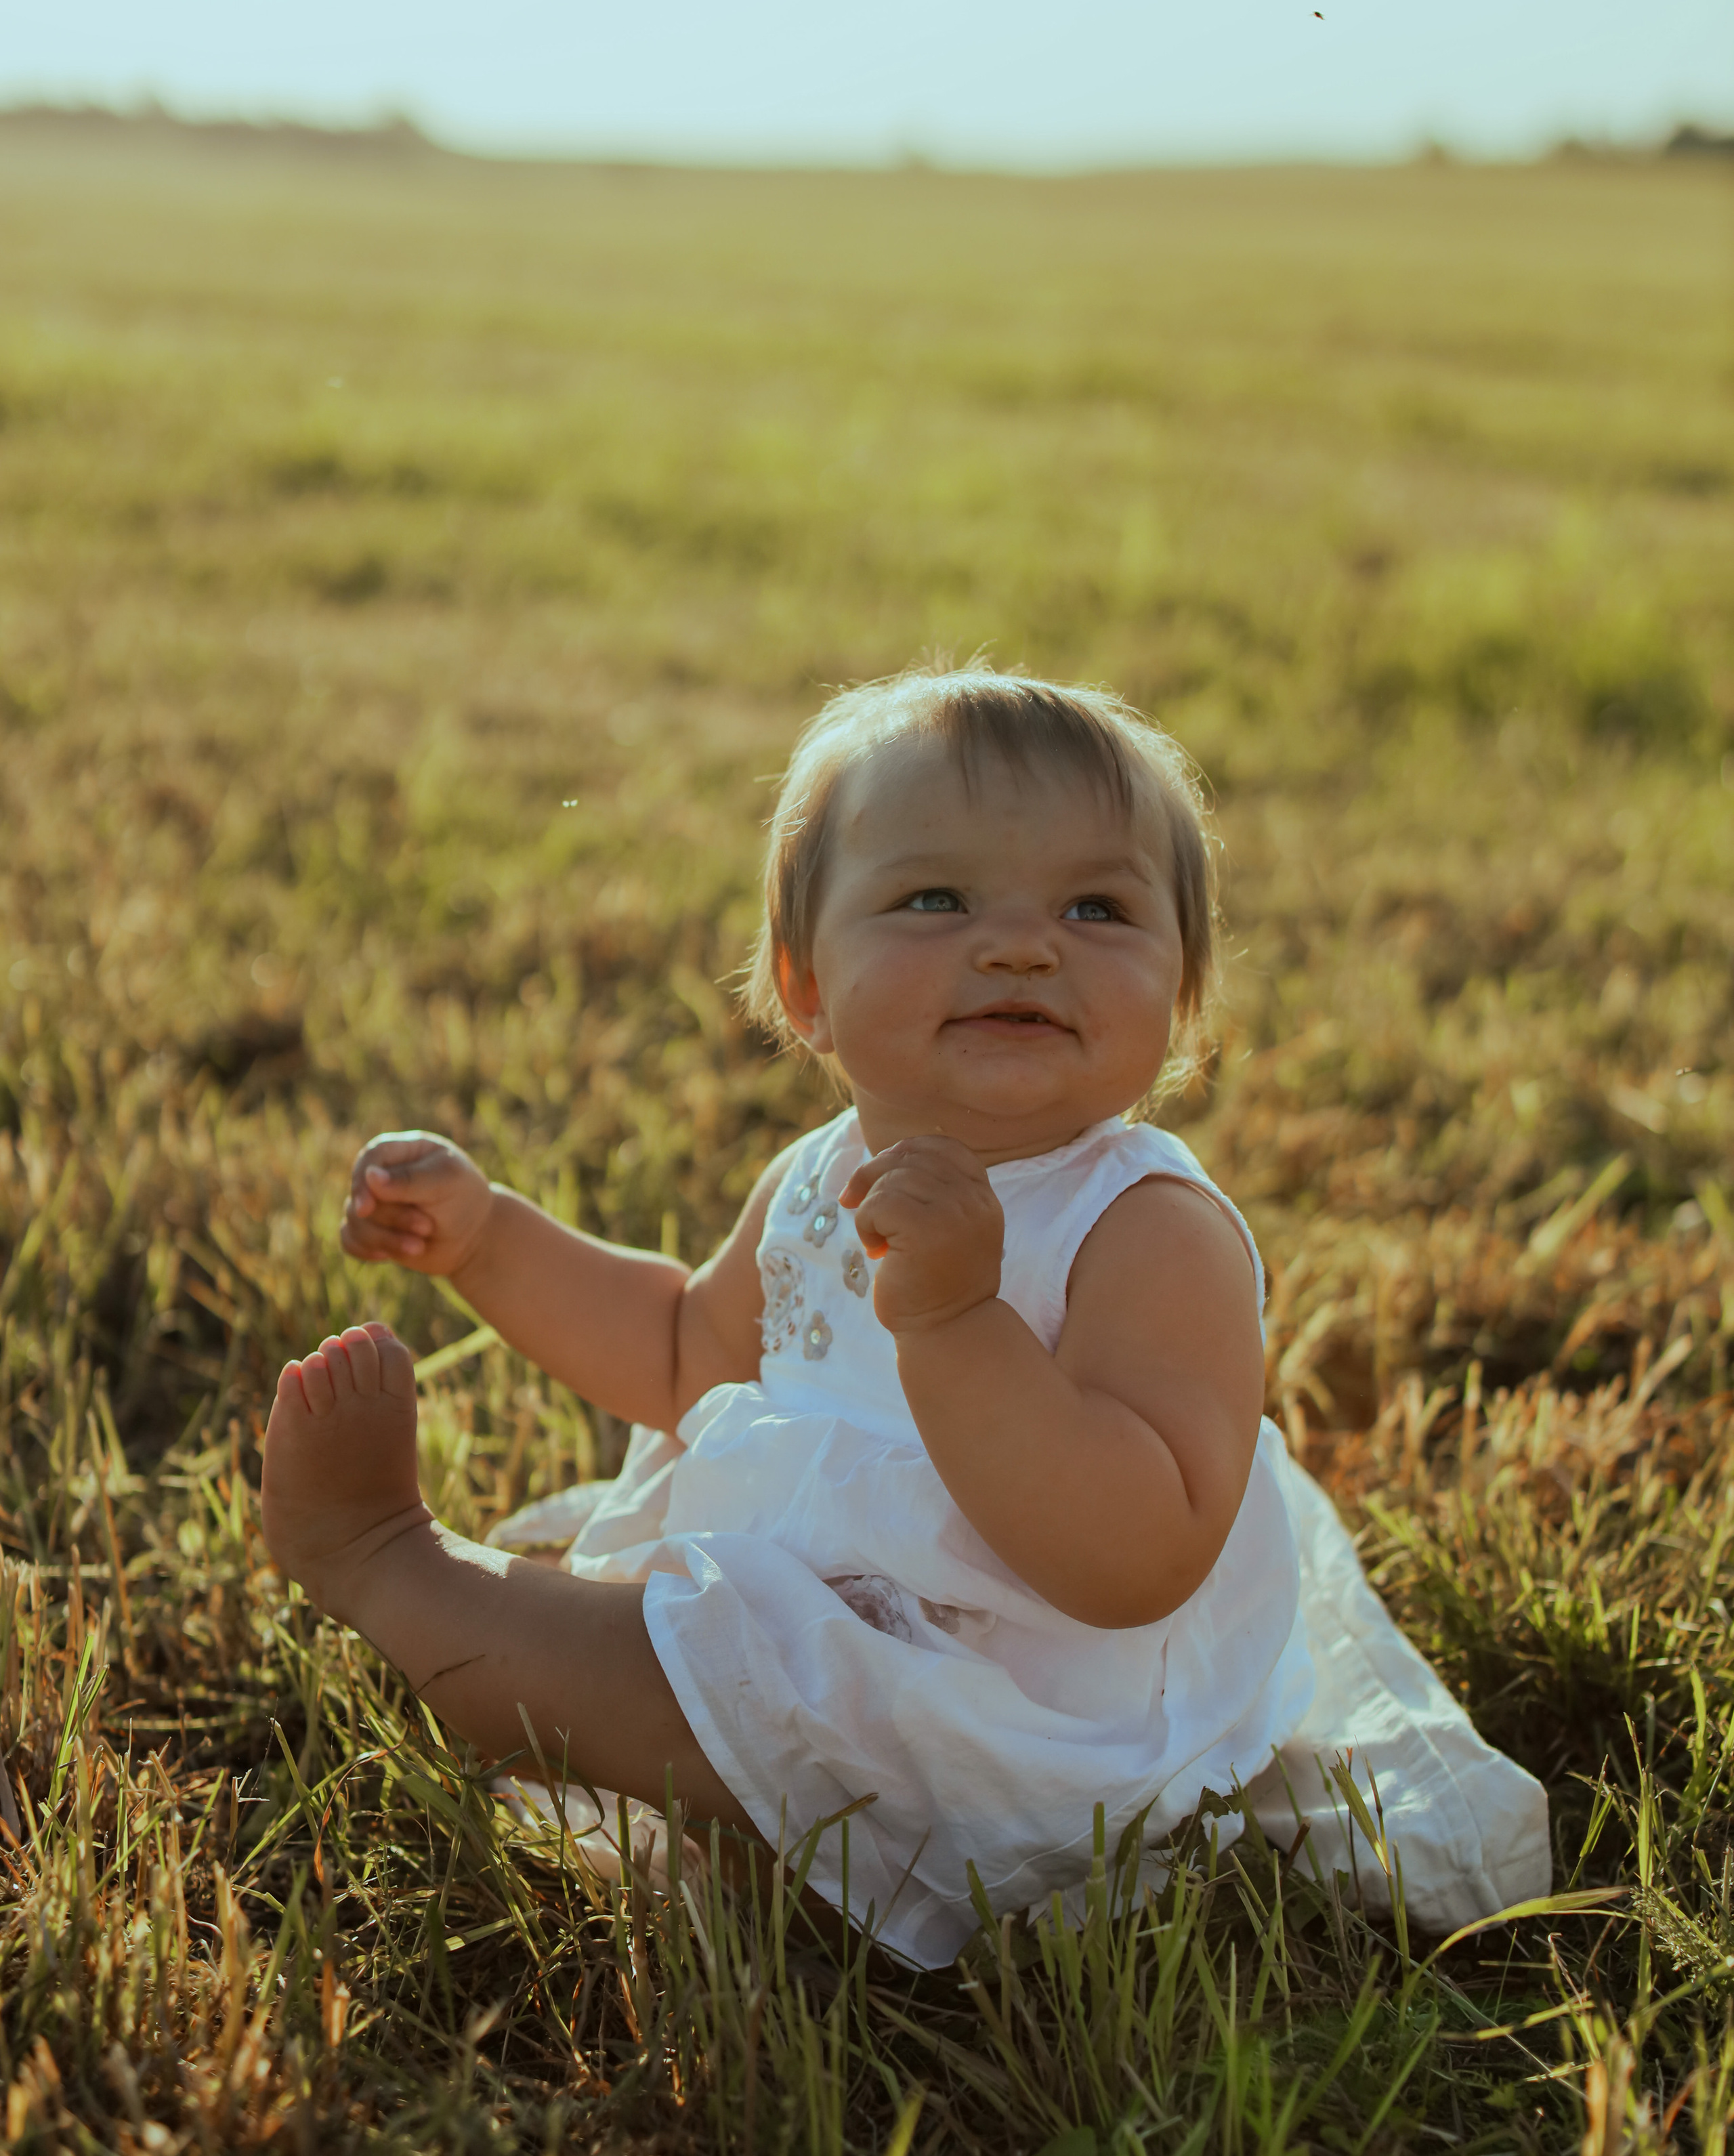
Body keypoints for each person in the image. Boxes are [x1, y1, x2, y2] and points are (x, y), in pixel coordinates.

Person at [261, 664, 1548, 1966]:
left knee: (677, 1670)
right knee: (691, 1663)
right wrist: (492, 1241)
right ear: (805, 985)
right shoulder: (818, 1177)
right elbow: (685, 1352)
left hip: (1007, 1709)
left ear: (1181, 999)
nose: (1023, 945)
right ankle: (667, 1767)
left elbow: (1136, 1558)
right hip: (828, 1622)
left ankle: (390, 1563)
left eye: (1098, 907)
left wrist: (956, 1323)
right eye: (937, 898)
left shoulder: (1149, 1229)